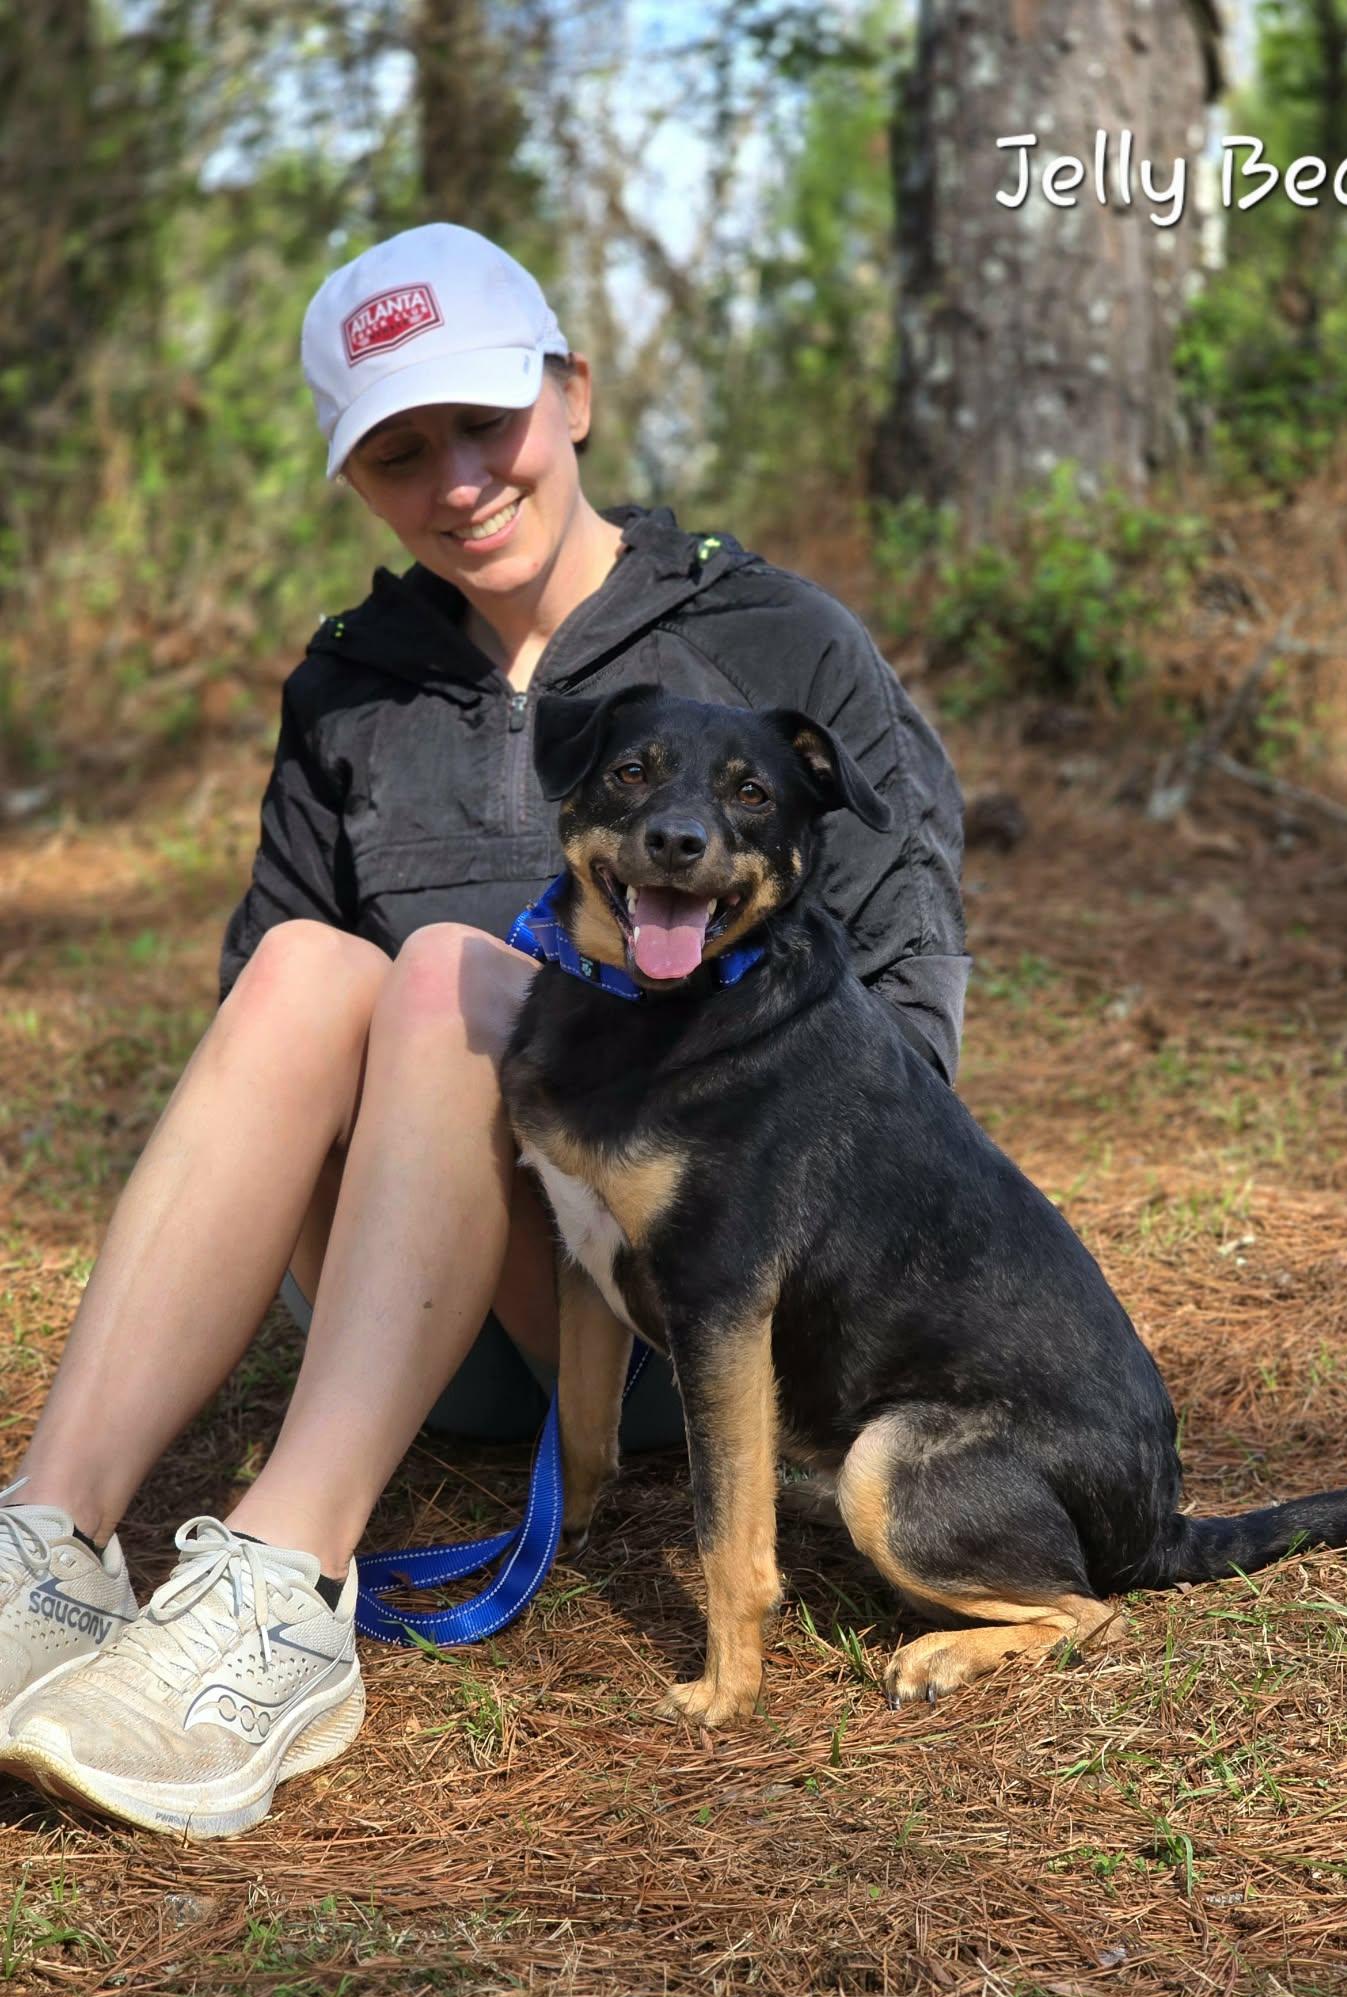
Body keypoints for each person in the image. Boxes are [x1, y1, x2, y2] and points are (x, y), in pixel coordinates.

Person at [0, 224, 968, 1836]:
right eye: (401, 451)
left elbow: (904, 1065)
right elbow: (269, 1022)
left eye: (483, 423)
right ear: (358, 481)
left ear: (572, 393)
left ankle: (287, 1589)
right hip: (424, 1314)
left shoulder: (781, 645)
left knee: (453, 970)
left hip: (693, 1308)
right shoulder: (353, 687)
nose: (457, 479)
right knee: (312, 969)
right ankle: (47, 1545)